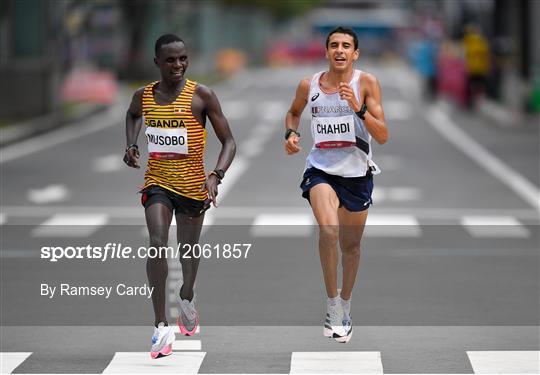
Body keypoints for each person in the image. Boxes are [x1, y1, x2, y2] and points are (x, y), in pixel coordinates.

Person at [124, 34, 236, 358]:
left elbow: (229, 141)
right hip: (157, 182)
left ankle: (187, 294)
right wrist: (131, 144)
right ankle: (160, 325)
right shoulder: (143, 96)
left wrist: (216, 175)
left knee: (188, 252)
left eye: (183, 58)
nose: (178, 65)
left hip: (192, 187)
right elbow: (132, 115)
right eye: (171, 60)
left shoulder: (202, 96)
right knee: (158, 241)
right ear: (157, 62)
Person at [284, 27, 388, 343]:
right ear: (326, 51)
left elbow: (382, 135)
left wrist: (357, 107)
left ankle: (345, 302)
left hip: (357, 174)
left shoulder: (366, 83)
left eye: (346, 46)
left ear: (355, 53)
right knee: (329, 231)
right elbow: (293, 113)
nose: (339, 50)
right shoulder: (309, 84)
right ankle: (331, 305)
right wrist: (291, 134)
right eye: (334, 45)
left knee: (351, 247)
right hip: (321, 170)